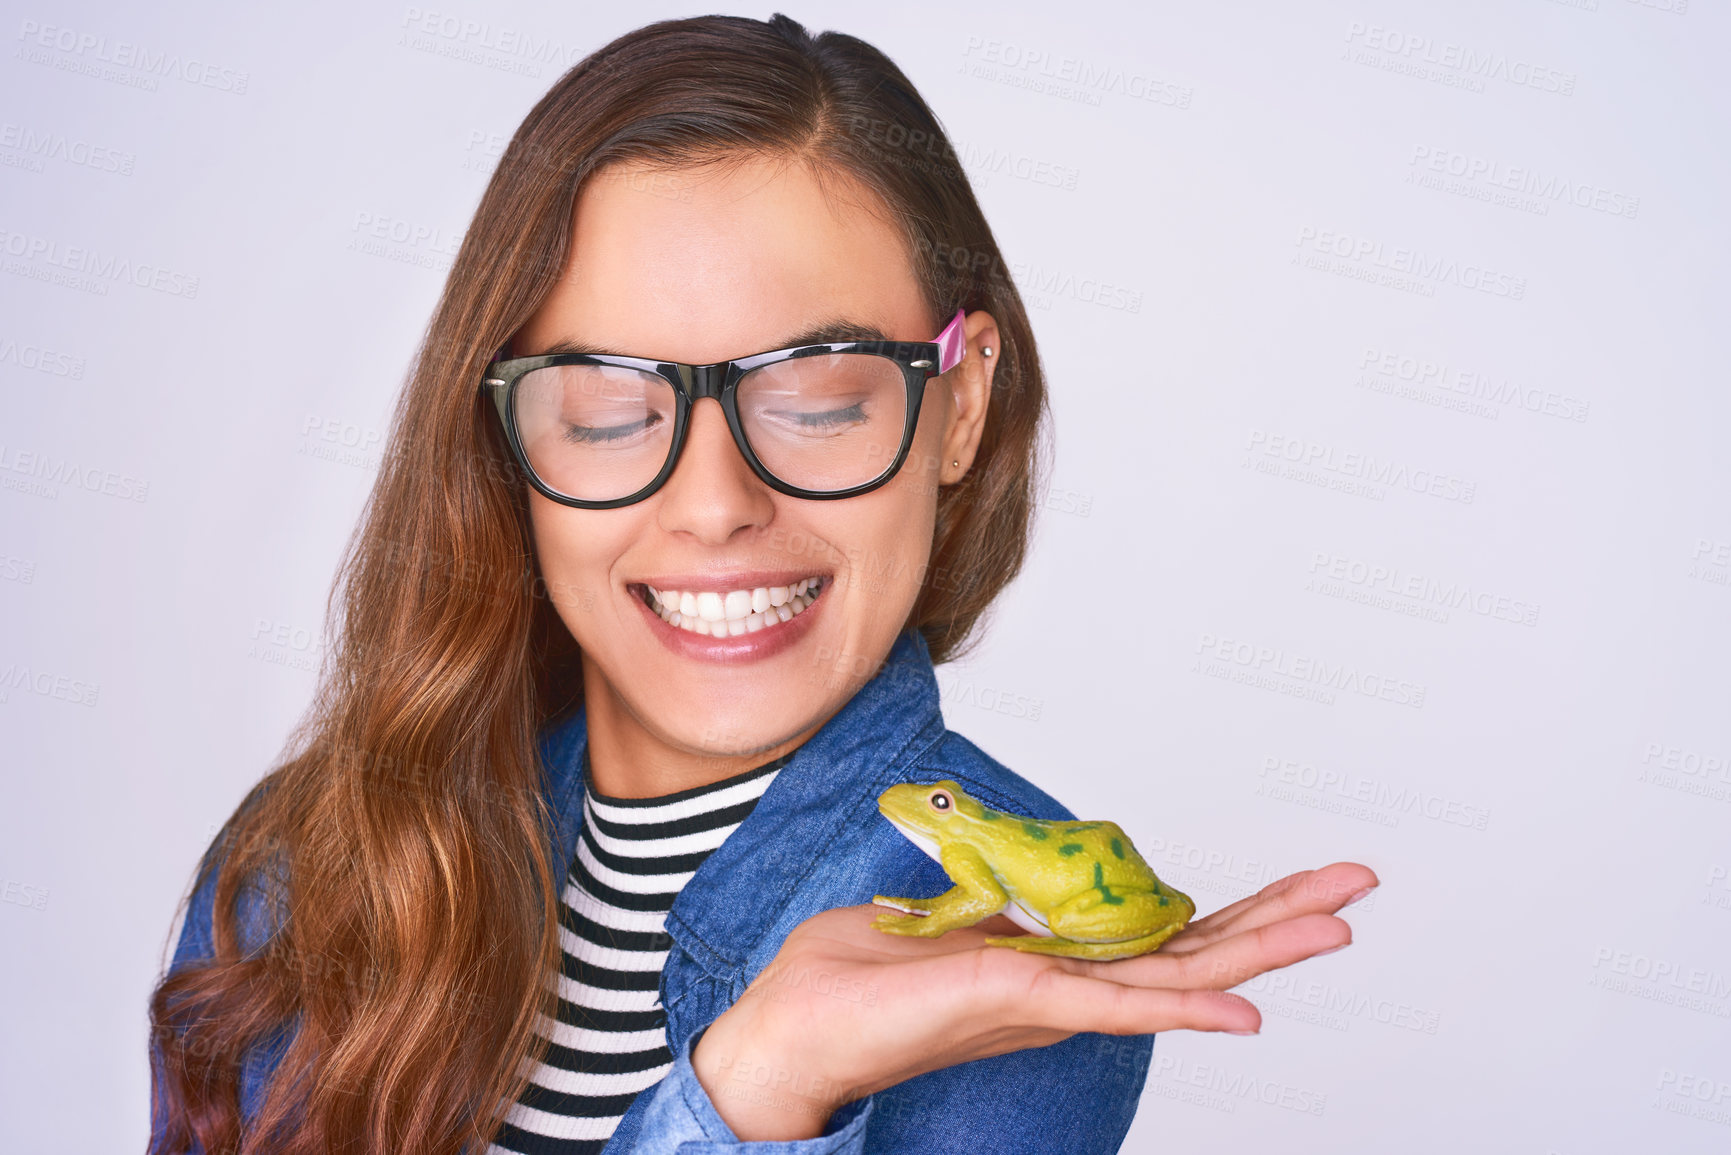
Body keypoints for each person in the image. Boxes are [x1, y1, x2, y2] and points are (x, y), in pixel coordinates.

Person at [147, 13, 1377, 1154]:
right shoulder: (307, 860)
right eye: (610, 407)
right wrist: (739, 1093)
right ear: (507, 440)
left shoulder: (1016, 970)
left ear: (960, 406)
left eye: (818, 396)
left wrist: (759, 1098)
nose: (716, 504)